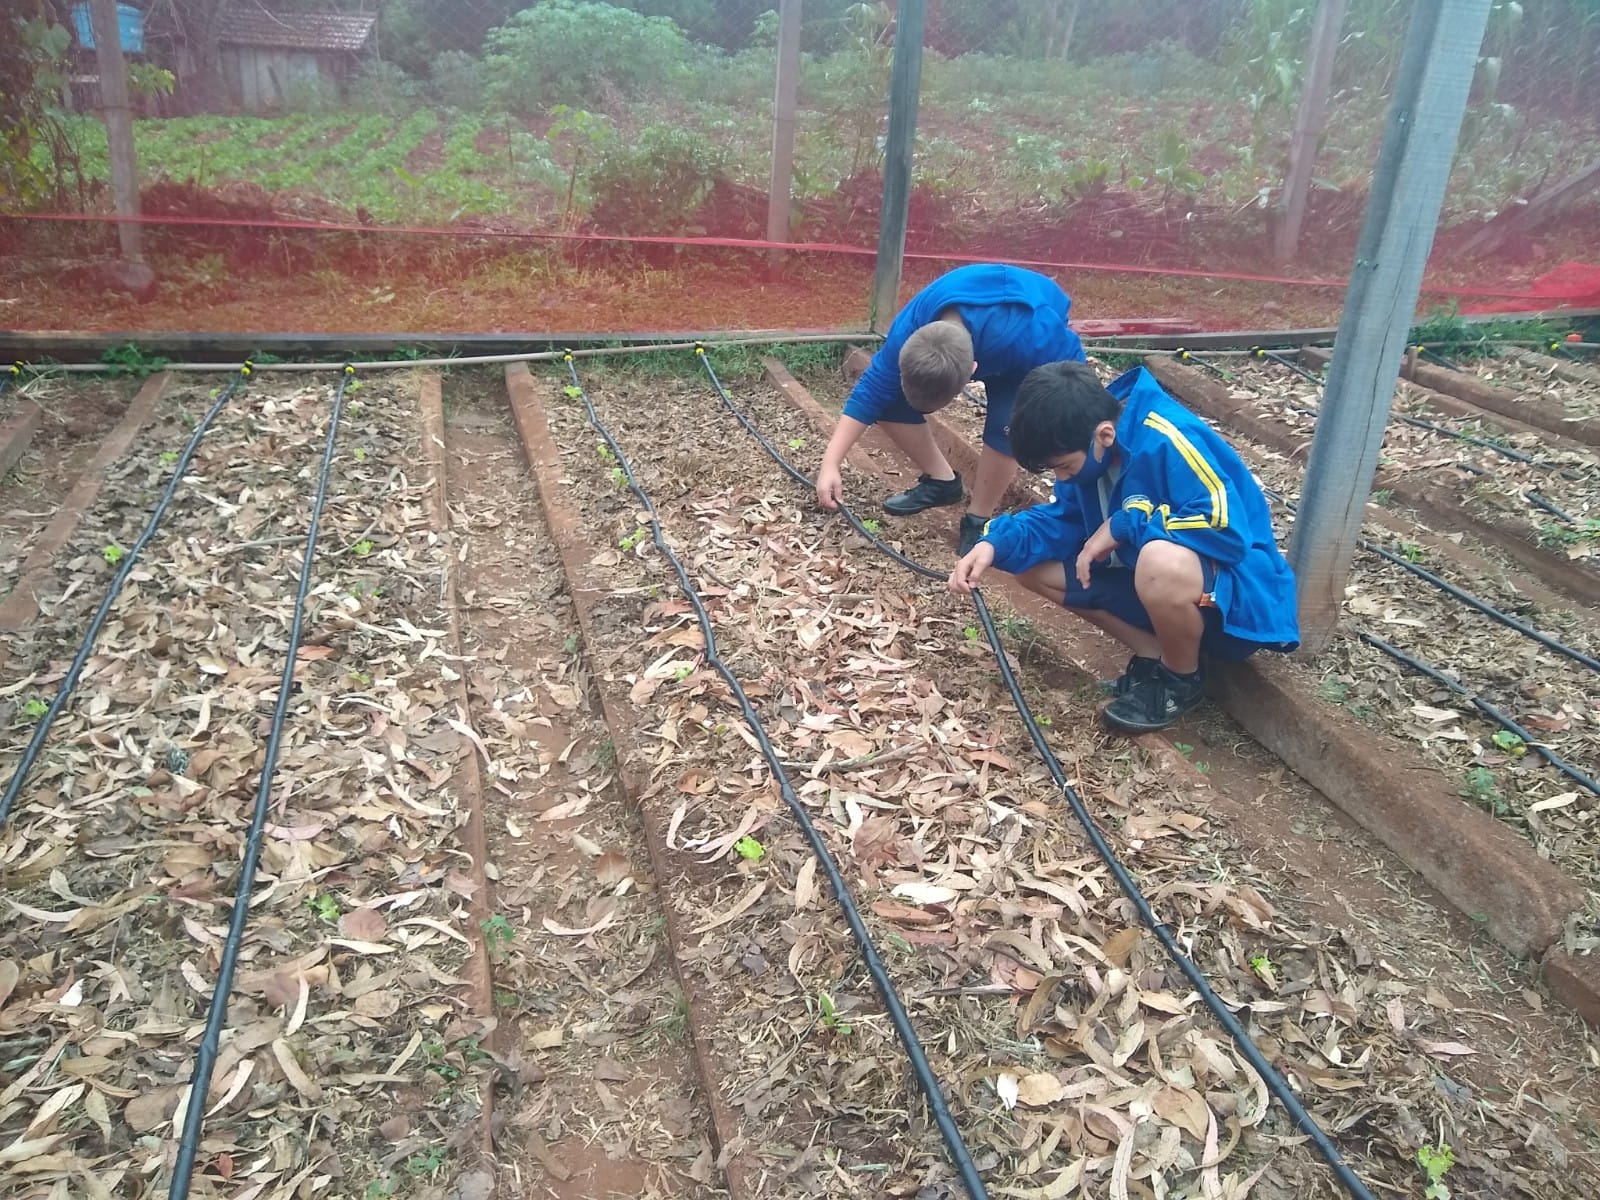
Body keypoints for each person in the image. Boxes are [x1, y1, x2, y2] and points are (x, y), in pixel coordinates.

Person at [948, 360, 1299, 733]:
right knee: (1033, 569)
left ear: (1103, 436)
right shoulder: (1087, 447)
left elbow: (1226, 529)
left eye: (1065, 467)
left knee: (1158, 560)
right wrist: (994, 543)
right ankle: (1155, 655)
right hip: (1156, 586)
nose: (1063, 478)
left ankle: (1180, 679)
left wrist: (1124, 523)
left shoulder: (1168, 436)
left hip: (1233, 599)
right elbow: (1063, 520)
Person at [815, 263, 1085, 556]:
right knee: (889, 403)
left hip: (1026, 340)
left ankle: (977, 518)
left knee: (1007, 428)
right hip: (990, 328)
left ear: (972, 372)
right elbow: (871, 392)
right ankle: (942, 483)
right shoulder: (911, 328)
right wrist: (831, 463)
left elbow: (1075, 376)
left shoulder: (1038, 334)